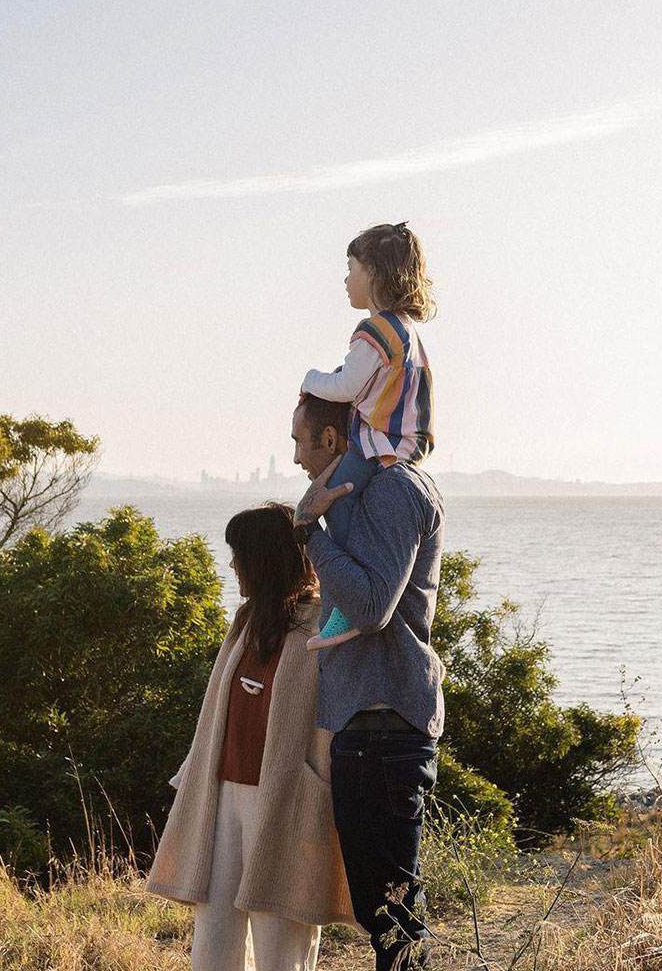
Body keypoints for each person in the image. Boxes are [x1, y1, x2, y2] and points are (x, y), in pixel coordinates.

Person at [145, 502, 355, 971]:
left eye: (239, 554)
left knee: (282, 940)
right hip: (222, 795)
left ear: (263, 560)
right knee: (214, 936)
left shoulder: (326, 623)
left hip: (287, 797)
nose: (233, 564)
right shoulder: (245, 621)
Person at [290, 394, 446, 971]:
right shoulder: (359, 499)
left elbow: (373, 605)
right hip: (368, 729)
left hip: (385, 730)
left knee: (395, 921)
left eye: (300, 441)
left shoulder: (394, 490)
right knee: (383, 918)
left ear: (330, 441)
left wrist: (308, 533)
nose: (297, 457)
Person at [301, 221, 436, 649]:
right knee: (348, 503)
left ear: (374, 273)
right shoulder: (406, 332)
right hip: (404, 441)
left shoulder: (374, 330)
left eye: (350, 268)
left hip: (379, 442)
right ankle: (346, 605)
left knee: (335, 501)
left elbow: (345, 387)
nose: (345, 280)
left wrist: (309, 378)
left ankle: (347, 611)